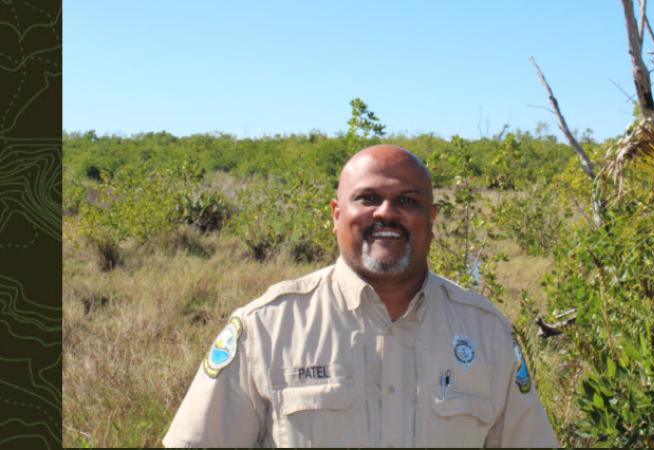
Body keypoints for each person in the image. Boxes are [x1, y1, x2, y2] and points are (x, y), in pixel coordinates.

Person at [162, 144, 558, 448]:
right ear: (336, 214)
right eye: (368, 198)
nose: (387, 212)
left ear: (432, 219)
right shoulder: (266, 328)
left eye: (408, 200)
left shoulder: (486, 332)